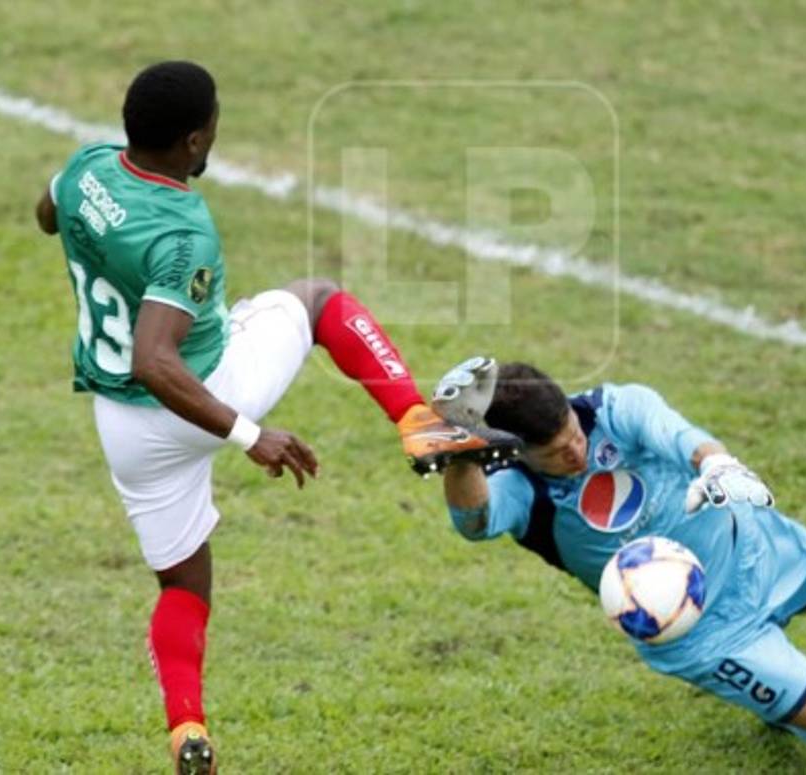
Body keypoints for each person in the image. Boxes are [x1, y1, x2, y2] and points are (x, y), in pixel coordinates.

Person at [35, 61, 517, 774]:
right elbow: (155, 360)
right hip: (202, 394)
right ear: (194, 139)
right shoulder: (182, 231)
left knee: (184, 587)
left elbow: (47, 216)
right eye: (215, 126)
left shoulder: (86, 167)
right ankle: (418, 419)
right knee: (319, 300)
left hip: (126, 431)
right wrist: (249, 433)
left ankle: (188, 728)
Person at [434, 358, 806, 747]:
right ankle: (771, 682)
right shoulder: (521, 490)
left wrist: (716, 462)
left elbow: (678, 435)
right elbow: (474, 523)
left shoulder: (613, 408)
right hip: (702, 632)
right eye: (555, 453)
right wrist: (461, 456)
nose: (577, 452)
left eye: (573, 435)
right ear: (514, 451)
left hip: (756, 546)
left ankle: (779, 670)